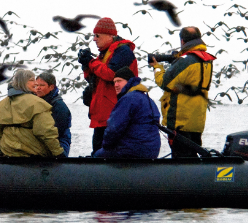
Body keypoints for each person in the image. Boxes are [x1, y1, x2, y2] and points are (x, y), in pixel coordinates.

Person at [150, 26, 216, 158]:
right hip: (197, 121)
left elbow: (165, 82)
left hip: (180, 121)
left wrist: (157, 67)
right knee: (192, 158)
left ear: (182, 41)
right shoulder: (206, 60)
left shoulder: (186, 61)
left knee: (181, 159)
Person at [77, 17, 137, 155]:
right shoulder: (104, 54)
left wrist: (91, 62)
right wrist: (86, 65)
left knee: (107, 156)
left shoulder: (123, 51)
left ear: (110, 35)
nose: (94, 39)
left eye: (97, 35)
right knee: (99, 153)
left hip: (115, 115)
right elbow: (94, 79)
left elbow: (111, 74)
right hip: (103, 115)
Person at [0, 69, 65, 157]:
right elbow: (45, 131)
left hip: (7, 154)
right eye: (32, 80)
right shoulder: (38, 104)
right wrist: (58, 153)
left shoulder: (0, 105)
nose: (36, 83)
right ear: (23, 82)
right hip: (33, 155)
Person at [95, 67, 161, 159]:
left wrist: (106, 146)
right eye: (114, 82)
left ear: (129, 81)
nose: (116, 85)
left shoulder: (128, 99)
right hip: (152, 151)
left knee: (97, 155)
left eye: (119, 81)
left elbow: (114, 128)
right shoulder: (148, 99)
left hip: (132, 150)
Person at [35, 71, 72, 156]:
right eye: (36, 85)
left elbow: (59, 130)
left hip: (60, 142)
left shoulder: (59, 106)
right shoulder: (35, 102)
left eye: (42, 85)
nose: (38, 88)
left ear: (51, 87)